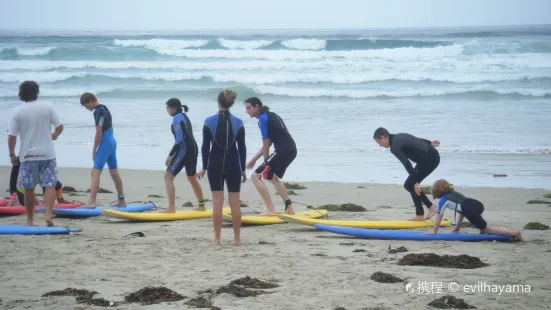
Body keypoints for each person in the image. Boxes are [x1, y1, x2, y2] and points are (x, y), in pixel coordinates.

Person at [8, 80, 64, 226]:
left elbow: (12, 136)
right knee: (50, 184)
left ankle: (30, 220)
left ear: (21, 94)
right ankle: (48, 216)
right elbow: (60, 126)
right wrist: (55, 135)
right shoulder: (47, 108)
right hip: (47, 153)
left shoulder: (18, 111)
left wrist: (12, 155)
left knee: (28, 187)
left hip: (27, 155)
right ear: (36, 92)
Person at [195, 89, 246, 246]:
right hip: (233, 164)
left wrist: (203, 167)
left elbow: (205, 147)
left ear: (218, 101)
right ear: (231, 103)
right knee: (235, 202)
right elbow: (242, 147)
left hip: (215, 164)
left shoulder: (209, 121)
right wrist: (243, 168)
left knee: (217, 202)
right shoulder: (239, 122)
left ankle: (217, 239)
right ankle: (237, 239)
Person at [244, 97, 297, 216]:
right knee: (273, 177)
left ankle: (270, 210)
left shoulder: (262, 118)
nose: (247, 111)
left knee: (255, 176)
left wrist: (265, 162)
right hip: (291, 149)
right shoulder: (272, 115)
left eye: (249, 108)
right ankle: (289, 208)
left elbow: (266, 143)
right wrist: (254, 159)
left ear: (257, 106)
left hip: (283, 150)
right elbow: (267, 143)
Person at [373, 127, 440, 221]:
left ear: (383, 137)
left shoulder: (394, 147)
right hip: (430, 156)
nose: (380, 146)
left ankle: (429, 209)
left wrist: (415, 181)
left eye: (379, 142)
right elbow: (415, 140)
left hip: (429, 160)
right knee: (411, 184)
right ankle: (421, 214)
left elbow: (406, 163)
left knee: (410, 184)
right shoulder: (399, 136)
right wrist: (429, 143)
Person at [425, 179, 523, 241]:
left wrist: (434, 231)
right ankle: (483, 230)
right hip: (477, 205)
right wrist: (457, 227)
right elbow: (462, 211)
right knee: (483, 227)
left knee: (489, 229)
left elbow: (439, 215)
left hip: (471, 211)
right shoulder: (455, 194)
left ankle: (514, 233)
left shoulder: (444, 200)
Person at [79, 92, 126, 208]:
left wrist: (94, 149)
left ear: (90, 101)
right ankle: (121, 201)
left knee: (95, 172)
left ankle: (91, 202)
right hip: (111, 141)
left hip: (105, 143)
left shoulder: (98, 111)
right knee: (114, 172)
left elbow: (98, 132)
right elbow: (110, 127)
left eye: (85, 105)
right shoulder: (104, 108)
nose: (86, 108)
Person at [164, 98, 205, 213]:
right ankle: (201, 206)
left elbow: (179, 140)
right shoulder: (183, 116)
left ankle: (171, 208)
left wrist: (171, 155)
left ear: (173, 108)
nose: (167, 110)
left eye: (167, 108)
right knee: (191, 177)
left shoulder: (177, 119)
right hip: (193, 149)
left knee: (168, 176)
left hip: (185, 150)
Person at [7, 156, 71, 206]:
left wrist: (46, 198)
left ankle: (60, 200)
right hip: (23, 189)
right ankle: (18, 200)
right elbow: (13, 178)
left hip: (39, 182)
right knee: (31, 203)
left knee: (57, 185)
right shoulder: (21, 159)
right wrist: (13, 197)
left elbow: (49, 183)